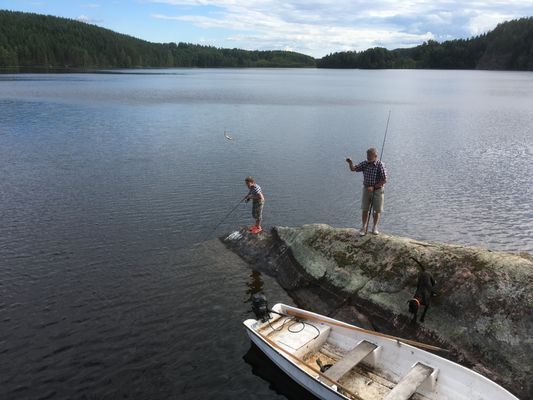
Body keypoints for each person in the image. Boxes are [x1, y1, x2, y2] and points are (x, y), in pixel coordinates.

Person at [346, 147, 388, 236]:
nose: (368, 157)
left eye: (370, 155)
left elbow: (384, 180)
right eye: (367, 155)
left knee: (377, 210)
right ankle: (363, 227)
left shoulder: (380, 165)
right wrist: (350, 163)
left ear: (375, 156)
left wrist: (374, 187)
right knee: (365, 209)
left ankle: (375, 227)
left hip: (377, 190)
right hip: (366, 189)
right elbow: (353, 169)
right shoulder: (365, 163)